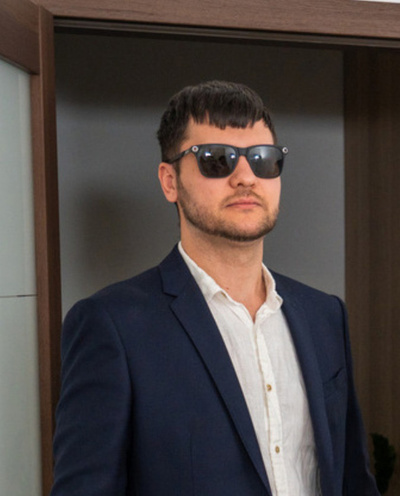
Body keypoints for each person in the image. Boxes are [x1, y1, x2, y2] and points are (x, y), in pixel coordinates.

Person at [51, 81, 379, 496]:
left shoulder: (325, 315)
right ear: (170, 181)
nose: (245, 177)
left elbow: (353, 480)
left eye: (263, 159)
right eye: (216, 160)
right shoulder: (112, 326)